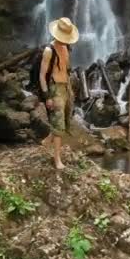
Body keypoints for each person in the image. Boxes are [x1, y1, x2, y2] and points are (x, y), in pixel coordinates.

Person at [40, 17, 79, 169]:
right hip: (55, 88)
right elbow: (42, 76)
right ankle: (57, 159)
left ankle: (46, 140)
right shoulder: (49, 51)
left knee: (65, 118)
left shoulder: (66, 48)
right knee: (59, 123)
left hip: (66, 86)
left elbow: (66, 69)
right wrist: (47, 97)